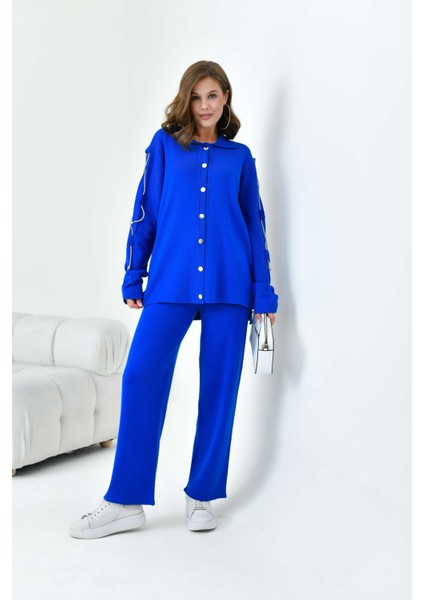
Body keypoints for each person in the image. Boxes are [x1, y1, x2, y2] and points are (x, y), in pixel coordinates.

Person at [70, 60, 278, 539]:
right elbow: (145, 211)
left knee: (219, 389)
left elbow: (254, 226)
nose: (205, 106)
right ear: (187, 100)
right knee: (141, 374)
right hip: (171, 282)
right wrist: (134, 275)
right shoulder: (164, 145)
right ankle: (125, 501)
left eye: (213, 96)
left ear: (226, 99)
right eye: (197, 97)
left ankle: (201, 495)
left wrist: (263, 292)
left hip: (230, 286)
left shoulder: (240, 158)